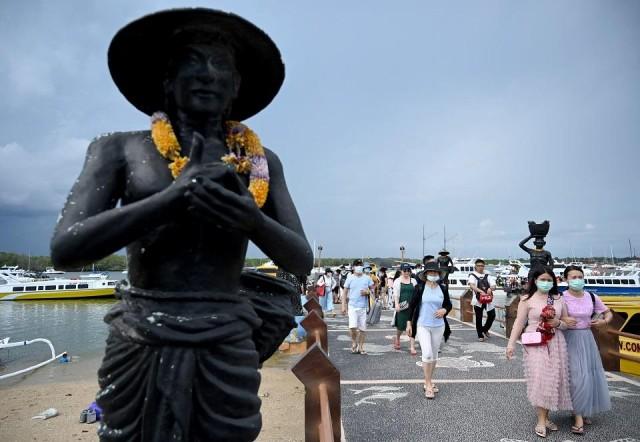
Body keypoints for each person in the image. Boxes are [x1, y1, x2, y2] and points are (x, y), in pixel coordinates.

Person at [50, 9, 313, 441]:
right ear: (167, 80)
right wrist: (170, 200)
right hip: (141, 333)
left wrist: (250, 219)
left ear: (236, 87)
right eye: (193, 61)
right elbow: (66, 249)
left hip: (225, 338)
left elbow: (300, 258)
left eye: (221, 66)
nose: (208, 74)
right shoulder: (120, 150)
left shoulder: (258, 164)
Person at [506, 267, 572, 438]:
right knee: (540, 378)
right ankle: (541, 421)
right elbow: (519, 323)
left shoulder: (558, 298)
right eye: (542, 279)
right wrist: (511, 344)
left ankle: (546, 416)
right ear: (535, 280)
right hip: (535, 342)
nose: (546, 282)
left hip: (555, 342)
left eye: (549, 280)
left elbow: (566, 323)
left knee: (552, 380)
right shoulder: (526, 300)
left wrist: (557, 323)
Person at [562, 265, 612, 435]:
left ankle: (581, 410)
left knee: (588, 375)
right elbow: (555, 316)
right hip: (569, 339)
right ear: (566, 279)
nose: (577, 280)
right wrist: (563, 319)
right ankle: (577, 416)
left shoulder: (591, 296)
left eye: (580, 276)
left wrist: (604, 322)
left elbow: (607, 313)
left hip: (587, 339)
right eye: (573, 277)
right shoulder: (562, 298)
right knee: (575, 376)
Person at [406, 262, 452, 399]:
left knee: (434, 356)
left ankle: (429, 380)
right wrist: (409, 324)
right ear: (425, 274)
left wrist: (445, 310)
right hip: (422, 325)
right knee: (427, 354)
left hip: (439, 326)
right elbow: (412, 306)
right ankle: (428, 384)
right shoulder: (419, 287)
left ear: (439, 274)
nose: (433, 275)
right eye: (430, 272)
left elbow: (448, 304)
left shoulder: (443, 288)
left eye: (436, 273)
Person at [342, 265, 374, 354]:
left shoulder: (367, 278)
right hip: (352, 306)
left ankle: (360, 347)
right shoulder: (349, 278)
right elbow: (344, 293)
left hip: (363, 307)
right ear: (353, 268)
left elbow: (373, 290)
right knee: (352, 327)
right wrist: (343, 306)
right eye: (357, 266)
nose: (359, 268)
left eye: (360, 266)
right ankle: (354, 342)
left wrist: (367, 292)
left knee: (362, 329)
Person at [468, 259, 497, 341]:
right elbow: (472, 285)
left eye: (482, 266)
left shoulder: (488, 275)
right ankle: (480, 334)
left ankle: (485, 329)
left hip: (488, 299)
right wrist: (481, 291)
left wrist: (491, 289)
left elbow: (494, 285)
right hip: (478, 300)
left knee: (492, 315)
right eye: (479, 266)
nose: (480, 267)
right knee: (479, 317)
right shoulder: (472, 275)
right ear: (475, 266)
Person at [392, 263, 417, 354]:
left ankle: (412, 347)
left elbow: (417, 293)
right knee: (401, 327)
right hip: (402, 307)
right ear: (401, 271)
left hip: (412, 306)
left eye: (408, 270)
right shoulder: (397, 281)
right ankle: (398, 338)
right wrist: (397, 304)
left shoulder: (413, 281)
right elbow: (396, 294)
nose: (406, 272)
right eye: (404, 270)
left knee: (412, 326)